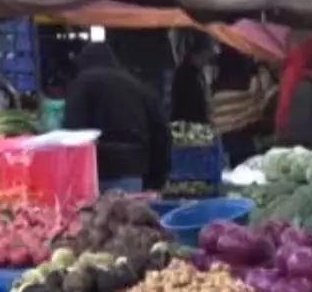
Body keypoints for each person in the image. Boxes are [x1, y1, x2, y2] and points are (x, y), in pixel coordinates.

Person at [62, 42, 172, 193]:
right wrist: (155, 181)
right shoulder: (137, 86)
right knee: (126, 215)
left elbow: (73, 133)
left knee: (100, 215)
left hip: (97, 173)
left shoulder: (83, 83)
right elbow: (161, 134)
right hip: (133, 172)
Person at [209, 45, 277, 167]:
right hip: (244, 141)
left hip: (221, 141)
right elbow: (268, 99)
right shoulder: (251, 81)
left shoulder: (218, 86)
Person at [170, 31, 217, 125]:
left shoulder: (197, 73)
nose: (208, 59)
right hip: (188, 126)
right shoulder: (185, 74)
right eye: (207, 55)